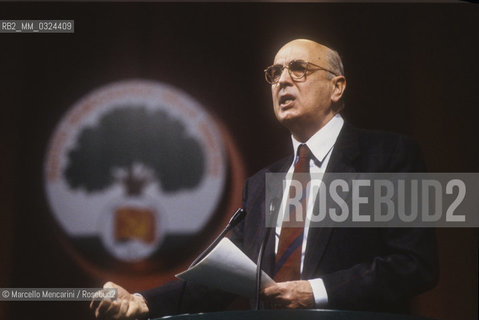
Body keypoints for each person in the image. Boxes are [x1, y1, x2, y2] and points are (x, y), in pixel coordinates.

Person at [90, 39, 438, 319]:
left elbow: (414, 264)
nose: (283, 80)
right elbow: (222, 280)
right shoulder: (261, 184)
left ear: (337, 87)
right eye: (275, 73)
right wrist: (141, 300)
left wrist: (314, 292)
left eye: (298, 69)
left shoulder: (389, 156)